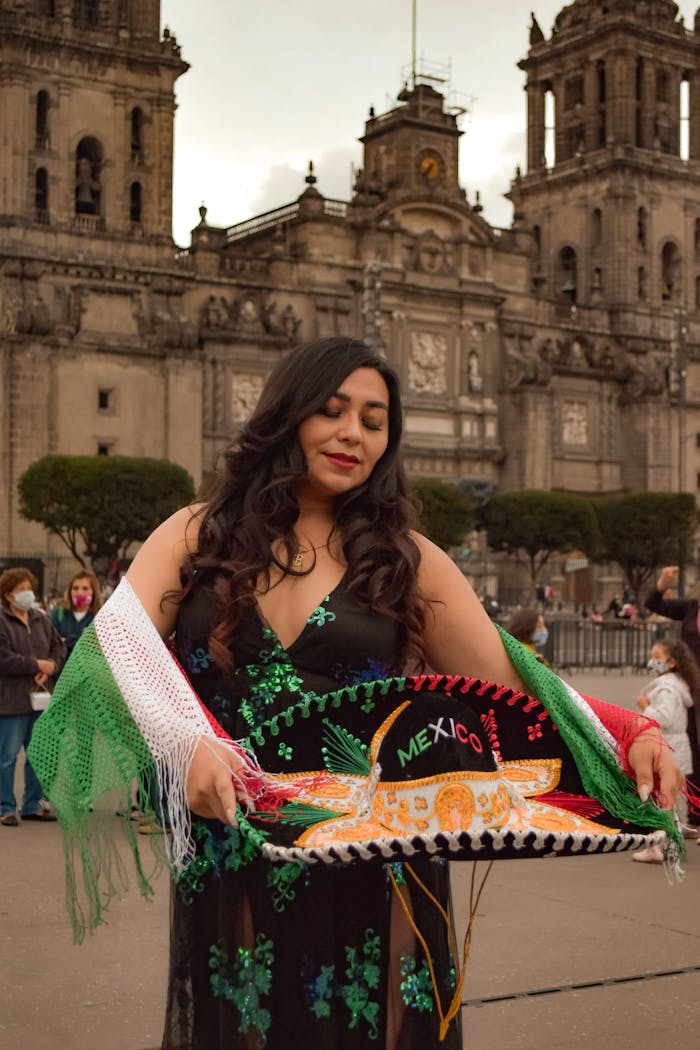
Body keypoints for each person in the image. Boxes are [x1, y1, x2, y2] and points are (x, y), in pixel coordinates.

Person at [29, 338, 683, 1050]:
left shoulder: (409, 560)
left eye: (374, 422)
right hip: (239, 846)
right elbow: (109, 656)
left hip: (380, 859)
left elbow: (515, 684)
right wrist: (179, 745)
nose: (353, 434)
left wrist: (630, 732)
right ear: (288, 415)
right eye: (332, 411)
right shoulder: (194, 533)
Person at [0, 567, 66, 826]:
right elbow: (4, 658)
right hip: (11, 701)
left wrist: (52, 664)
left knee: (38, 753)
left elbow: (59, 646)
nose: (27, 594)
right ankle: (6, 806)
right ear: (7, 595)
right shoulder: (2, 621)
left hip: (40, 699)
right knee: (7, 757)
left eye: (29, 588)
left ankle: (32, 804)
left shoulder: (40, 618)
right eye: (20, 590)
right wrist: (38, 665)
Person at [632, 639, 699, 862]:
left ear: (670, 662)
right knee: (669, 798)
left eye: (657, 657)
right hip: (676, 746)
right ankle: (670, 841)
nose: (652, 662)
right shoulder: (675, 685)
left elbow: (665, 718)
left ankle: (658, 846)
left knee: (661, 798)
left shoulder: (667, 689)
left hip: (668, 747)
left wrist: (646, 707)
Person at [645, 565, 700, 835]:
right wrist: (662, 582)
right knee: (693, 752)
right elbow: (653, 603)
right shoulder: (692, 607)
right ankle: (696, 815)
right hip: (692, 690)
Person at [49, 570, 102, 656]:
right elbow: (52, 643)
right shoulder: (58, 614)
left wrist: (66, 640)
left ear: (94, 592)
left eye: (85, 588)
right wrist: (84, 641)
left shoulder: (100, 617)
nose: (79, 593)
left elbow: (98, 648)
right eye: (75, 588)